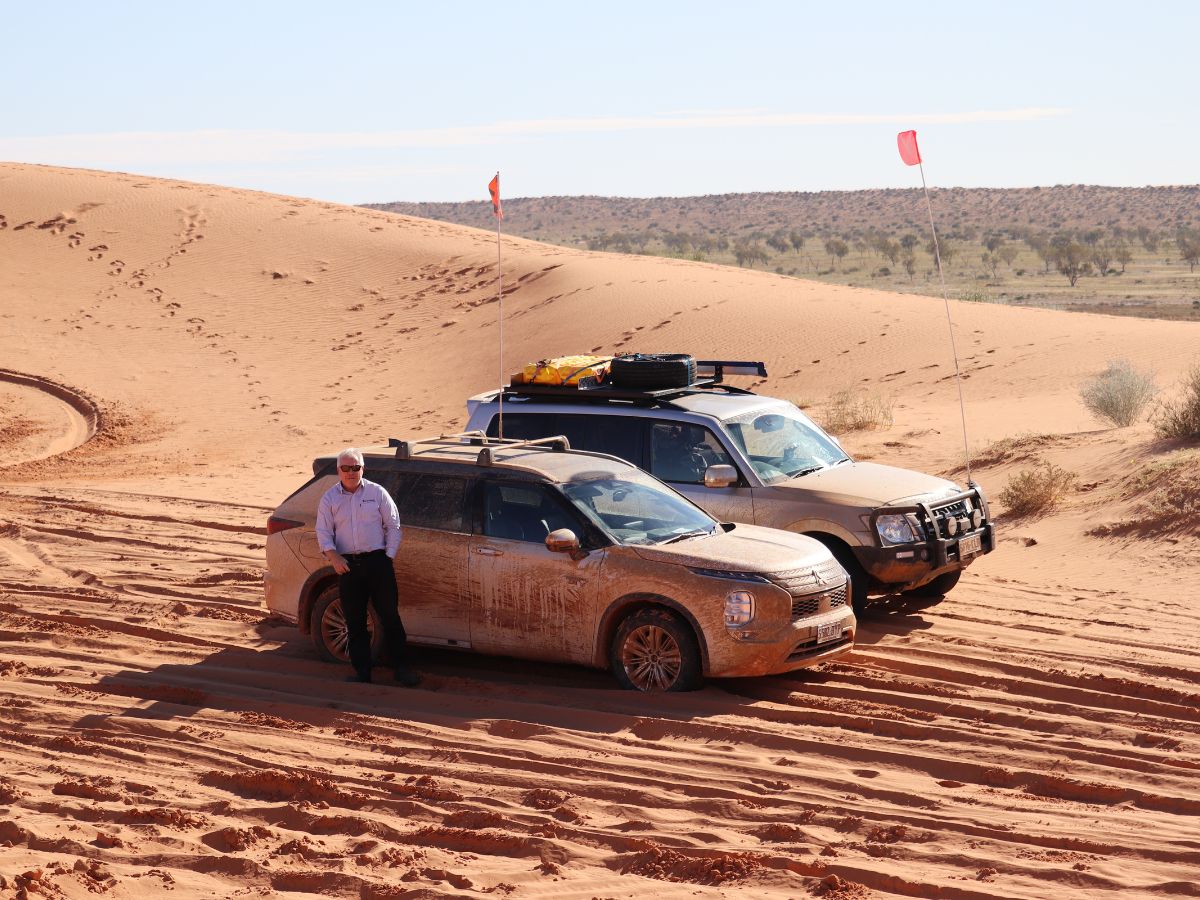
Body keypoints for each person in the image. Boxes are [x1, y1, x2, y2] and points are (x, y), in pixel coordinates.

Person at [316, 448, 420, 687]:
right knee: (354, 621)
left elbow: (394, 526)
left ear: (363, 469)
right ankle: (362, 673)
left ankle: (402, 669)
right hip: (347, 567)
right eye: (346, 468)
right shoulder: (330, 498)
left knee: (390, 617)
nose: (351, 472)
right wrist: (334, 558)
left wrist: (387, 557)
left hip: (378, 563)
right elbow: (323, 533)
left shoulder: (377, 492)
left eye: (356, 467)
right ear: (338, 470)